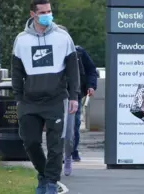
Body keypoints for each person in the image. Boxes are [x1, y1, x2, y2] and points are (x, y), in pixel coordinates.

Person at [12, 0, 79, 194]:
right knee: (30, 141)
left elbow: (73, 69)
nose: (47, 16)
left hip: (55, 99)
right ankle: (44, 173)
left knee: (55, 144)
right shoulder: (21, 40)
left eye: (49, 11)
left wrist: (74, 96)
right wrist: (18, 98)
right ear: (32, 14)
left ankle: (50, 183)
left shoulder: (63, 37)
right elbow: (16, 71)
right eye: (42, 13)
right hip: (29, 100)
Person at [57, 25, 98, 176]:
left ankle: (71, 152)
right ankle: (59, 153)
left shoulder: (78, 52)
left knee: (72, 125)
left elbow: (91, 70)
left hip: (74, 94)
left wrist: (91, 86)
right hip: (54, 95)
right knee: (56, 125)